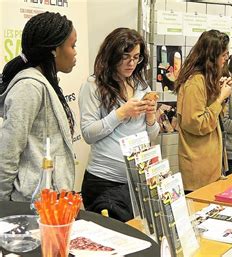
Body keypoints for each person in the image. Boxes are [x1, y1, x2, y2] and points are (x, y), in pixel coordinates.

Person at [79, 28, 159, 219]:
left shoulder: (140, 84)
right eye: (126, 57)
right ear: (112, 55)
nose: (131, 63)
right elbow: (88, 133)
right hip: (103, 181)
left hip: (136, 181)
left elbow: (152, 135)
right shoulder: (93, 85)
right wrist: (121, 113)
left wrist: (150, 117)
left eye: (136, 57)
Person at [0, 12, 77, 201]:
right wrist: (4, 207)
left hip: (49, 201)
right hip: (30, 204)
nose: (75, 52)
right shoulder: (29, 87)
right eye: (72, 46)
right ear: (54, 50)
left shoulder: (44, 82)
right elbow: (8, 152)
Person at [174, 30, 232, 192]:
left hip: (210, 165)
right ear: (212, 57)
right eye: (223, 54)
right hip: (198, 169)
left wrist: (219, 94)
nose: (226, 59)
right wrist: (220, 98)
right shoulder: (195, 82)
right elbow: (196, 123)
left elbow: (212, 114)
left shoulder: (206, 79)